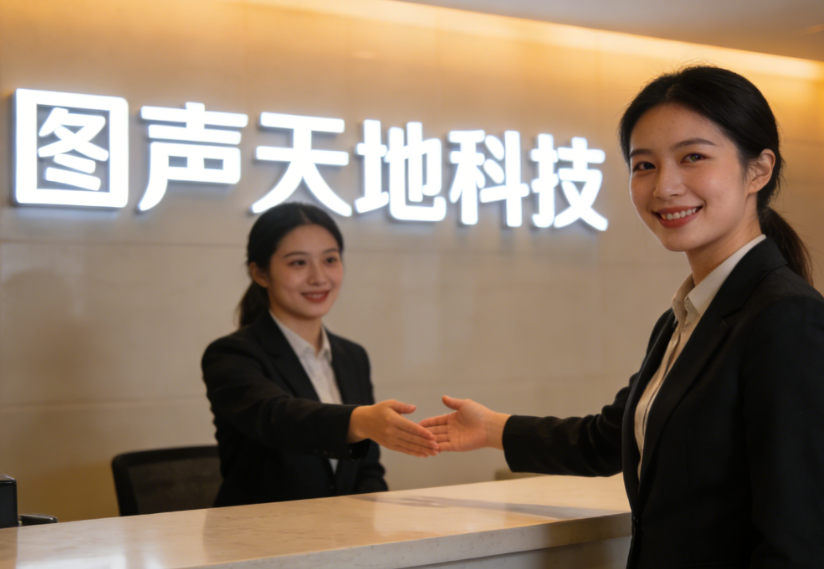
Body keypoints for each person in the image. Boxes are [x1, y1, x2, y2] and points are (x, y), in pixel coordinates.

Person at [421, 66, 824, 568]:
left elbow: (799, 541)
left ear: (758, 170)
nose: (665, 186)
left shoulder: (786, 317)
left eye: (693, 157)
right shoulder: (686, 317)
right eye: (644, 165)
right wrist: (492, 429)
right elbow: (611, 437)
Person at [202, 202, 438, 507]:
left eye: (330, 260)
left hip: (347, 531)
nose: (319, 277)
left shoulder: (352, 356)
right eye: (298, 263)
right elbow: (277, 418)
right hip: (260, 531)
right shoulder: (231, 354)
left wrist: (369, 521)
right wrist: (358, 420)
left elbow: (367, 467)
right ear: (260, 273)